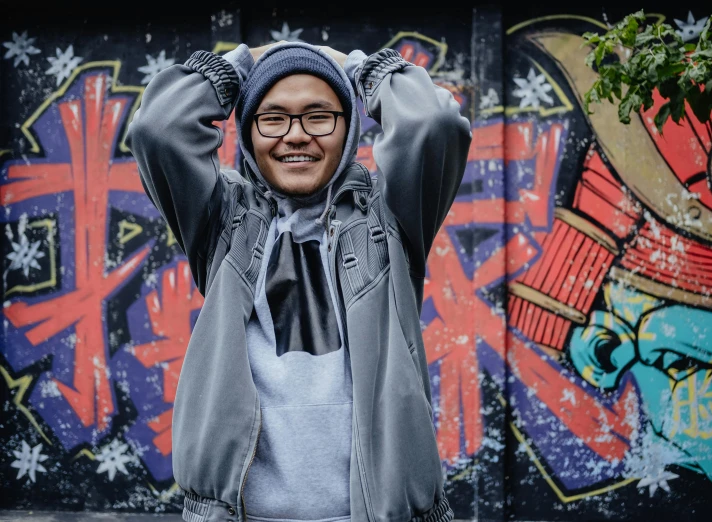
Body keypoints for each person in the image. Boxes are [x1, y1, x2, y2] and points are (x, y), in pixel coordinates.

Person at [127, 38, 471, 522]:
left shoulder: (390, 218)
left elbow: (430, 125)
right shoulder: (222, 222)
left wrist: (364, 69)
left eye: (319, 116)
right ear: (248, 133)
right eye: (273, 118)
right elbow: (158, 129)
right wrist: (236, 67)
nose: (296, 135)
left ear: (349, 128)